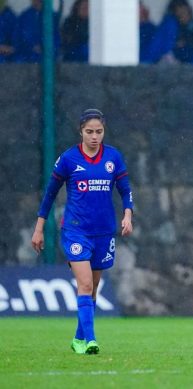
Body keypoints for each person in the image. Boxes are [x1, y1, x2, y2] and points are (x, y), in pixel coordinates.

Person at [31, 109, 134, 355]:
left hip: (104, 232)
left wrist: (128, 214)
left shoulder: (113, 157)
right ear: (81, 132)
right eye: (89, 132)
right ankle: (90, 340)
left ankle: (79, 337)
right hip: (75, 230)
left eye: (99, 132)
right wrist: (39, 228)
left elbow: (125, 189)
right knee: (85, 283)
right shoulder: (68, 159)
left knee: (94, 285)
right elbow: (50, 193)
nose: (94, 136)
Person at [142, 0, 193, 64]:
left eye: (185, 12)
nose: (184, 15)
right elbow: (162, 46)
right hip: (163, 58)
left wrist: (185, 43)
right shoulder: (170, 24)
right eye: (180, 13)